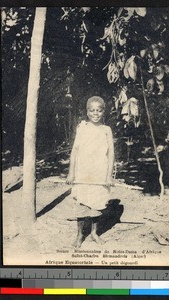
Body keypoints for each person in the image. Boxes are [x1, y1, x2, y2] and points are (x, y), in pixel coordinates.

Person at [66, 96, 115, 248]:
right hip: (83, 172)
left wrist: (108, 176)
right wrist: (71, 173)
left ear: (103, 112)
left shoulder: (106, 130)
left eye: (99, 111)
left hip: (100, 172)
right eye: (92, 110)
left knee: (97, 204)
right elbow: (75, 151)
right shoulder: (83, 128)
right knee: (81, 202)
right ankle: (80, 235)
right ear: (87, 112)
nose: (95, 113)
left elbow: (111, 154)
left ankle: (94, 233)